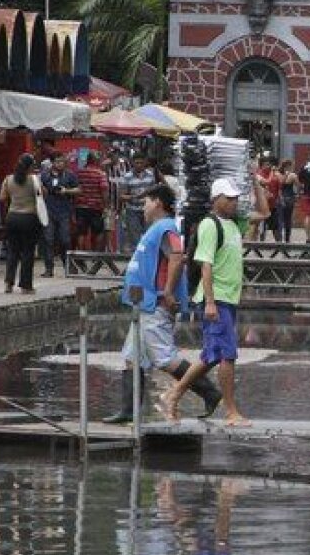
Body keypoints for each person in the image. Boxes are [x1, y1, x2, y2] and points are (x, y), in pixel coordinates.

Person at [103, 184, 221, 424]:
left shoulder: (166, 228)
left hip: (154, 303)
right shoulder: (157, 229)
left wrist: (167, 291)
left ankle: (210, 391)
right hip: (143, 304)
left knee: (165, 358)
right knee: (131, 357)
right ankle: (129, 410)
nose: (143, 207)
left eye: (146, 201)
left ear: (158, 202)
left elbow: (176, 256)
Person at [161, 178, 249, 426]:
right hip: (217, 298)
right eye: (228, 198)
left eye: (235, 198)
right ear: (215, 199)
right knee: (227, 355)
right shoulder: (210, 225)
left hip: (229, 299)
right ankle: (231, 411)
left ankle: (172, 394)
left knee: (210, 355)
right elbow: (205, 264)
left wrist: (255, 181)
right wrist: (210, 302)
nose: (234, 202)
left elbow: (263, 213)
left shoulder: (233, 225)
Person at [0, 154, 44, 295]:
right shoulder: (34, 180)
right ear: (30, 166)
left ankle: (8, 284)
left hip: (12, 217)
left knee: (12, 251)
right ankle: (26, 286)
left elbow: (2, 197)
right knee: (27, 252)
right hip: (29, 218)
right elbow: (42, 195)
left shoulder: (8, 179)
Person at [39, 153, 80, 277]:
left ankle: (68, 266)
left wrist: (66, 190)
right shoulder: (45, 175)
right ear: (52, 163)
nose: (60, 164)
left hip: (64, 212)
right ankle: (49, 269)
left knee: (65, 240)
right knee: (48, 240)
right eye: (57, 161)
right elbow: (38, 190)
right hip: (48, 211)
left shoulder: (70, 175)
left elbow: (79, 189)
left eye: (62, 161)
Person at [118, 153, 156, 253]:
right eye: (137, 162)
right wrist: (134, 197)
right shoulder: (127, 177)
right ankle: (137, 261)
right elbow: (121, 196)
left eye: (141, 162)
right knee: (135, 239)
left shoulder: (151, 176)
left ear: (145, 163)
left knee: (149, 237)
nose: (139, 165)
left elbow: (154, 192)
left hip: (147, 211)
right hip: (132, 211)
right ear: (132, 163)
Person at [75, 152, 110, 252]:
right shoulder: (100, 173)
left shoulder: (79, 173)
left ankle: (80, 257)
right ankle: (96, 257)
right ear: (95, 160)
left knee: (81, 233)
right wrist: (106, 206)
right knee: (99, 232)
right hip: (96, 208)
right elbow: (104, 191)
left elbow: (76, 188)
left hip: (81, 207)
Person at [274, 159, 298, 244]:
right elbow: (298, 186)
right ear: (289, 166)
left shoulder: (276, 174)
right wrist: (297, 195)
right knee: (288, 220)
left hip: (280, 198)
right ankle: (287, 240)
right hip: (290, 198)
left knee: (280, 220)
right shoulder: (293, 175)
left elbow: (278, 185)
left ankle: (280, 240)